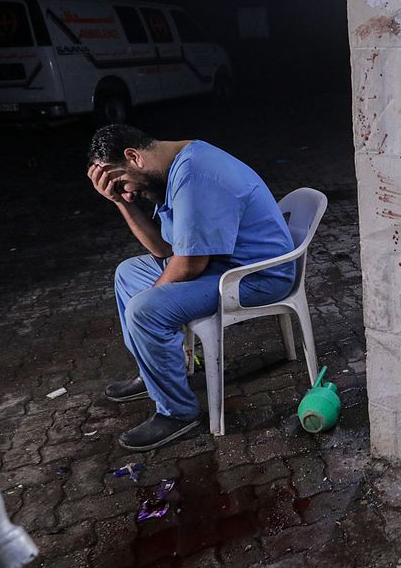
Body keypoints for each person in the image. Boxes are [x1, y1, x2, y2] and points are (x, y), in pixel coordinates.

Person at [87, 124, 295, 450]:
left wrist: (155, 299)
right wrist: (120, 202)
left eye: (123, 184)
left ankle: (178, 413)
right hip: (219, 267)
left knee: (146, 310)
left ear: (133, 157)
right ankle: (153, 370)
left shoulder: (195, 174)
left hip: (256, 277)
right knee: (128, 272)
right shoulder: (173, 170)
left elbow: (189, 265)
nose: (129, 193)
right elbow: (163, 251)